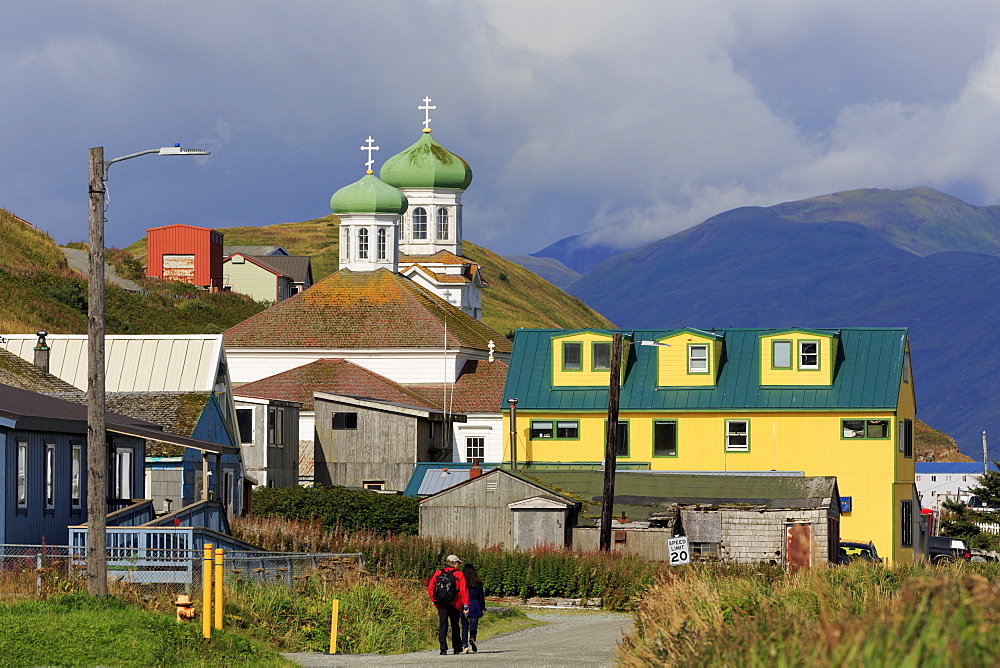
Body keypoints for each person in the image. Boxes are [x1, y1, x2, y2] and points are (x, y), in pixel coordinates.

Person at [428, 554, 469, 655]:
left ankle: (443, 648)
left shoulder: (438, 573)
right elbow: (464, 591)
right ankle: (456, 647)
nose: (458, 565)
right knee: (455, 625)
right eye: (458, 563)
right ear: (454, 563)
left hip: (441, 603)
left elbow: (430, 588)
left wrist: (435, 600)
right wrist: (466, 605)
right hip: (454, 603)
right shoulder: (459, 574)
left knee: (443, 624)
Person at [460, 563, 485, 653]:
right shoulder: (478, 583)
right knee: (473, 625)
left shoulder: (462, 582)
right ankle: (472, 637)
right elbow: (481, 596)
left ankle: (464, 646)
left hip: (465, 605)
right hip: (475, 605)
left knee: (464, 626)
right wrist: (482, 607)